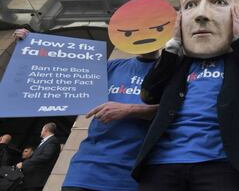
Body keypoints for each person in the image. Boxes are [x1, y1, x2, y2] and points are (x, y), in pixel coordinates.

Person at [132, 0, 239, 191]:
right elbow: (148, 94)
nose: (201, 15)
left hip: (221, 166)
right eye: (190, 5)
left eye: (218, 2)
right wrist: (172, 47)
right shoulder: (176, 63)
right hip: (161, 165)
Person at [14, 28, 160, 191]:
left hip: (131, 177)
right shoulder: (112, 67)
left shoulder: (172, 72)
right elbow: (63, 72)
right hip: (85, 171)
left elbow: (179, 110)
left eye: (155, 28)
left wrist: (131, 109)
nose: (146, 34)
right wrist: (32, 43)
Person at [16, 123, 61, 191]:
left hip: (37, 180)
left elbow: (46, 156)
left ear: (46, 130)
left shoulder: (53, 141)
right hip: (32, 179)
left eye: (42, 129)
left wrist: (24, 164)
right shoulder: (47, 141)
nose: (41, 131)